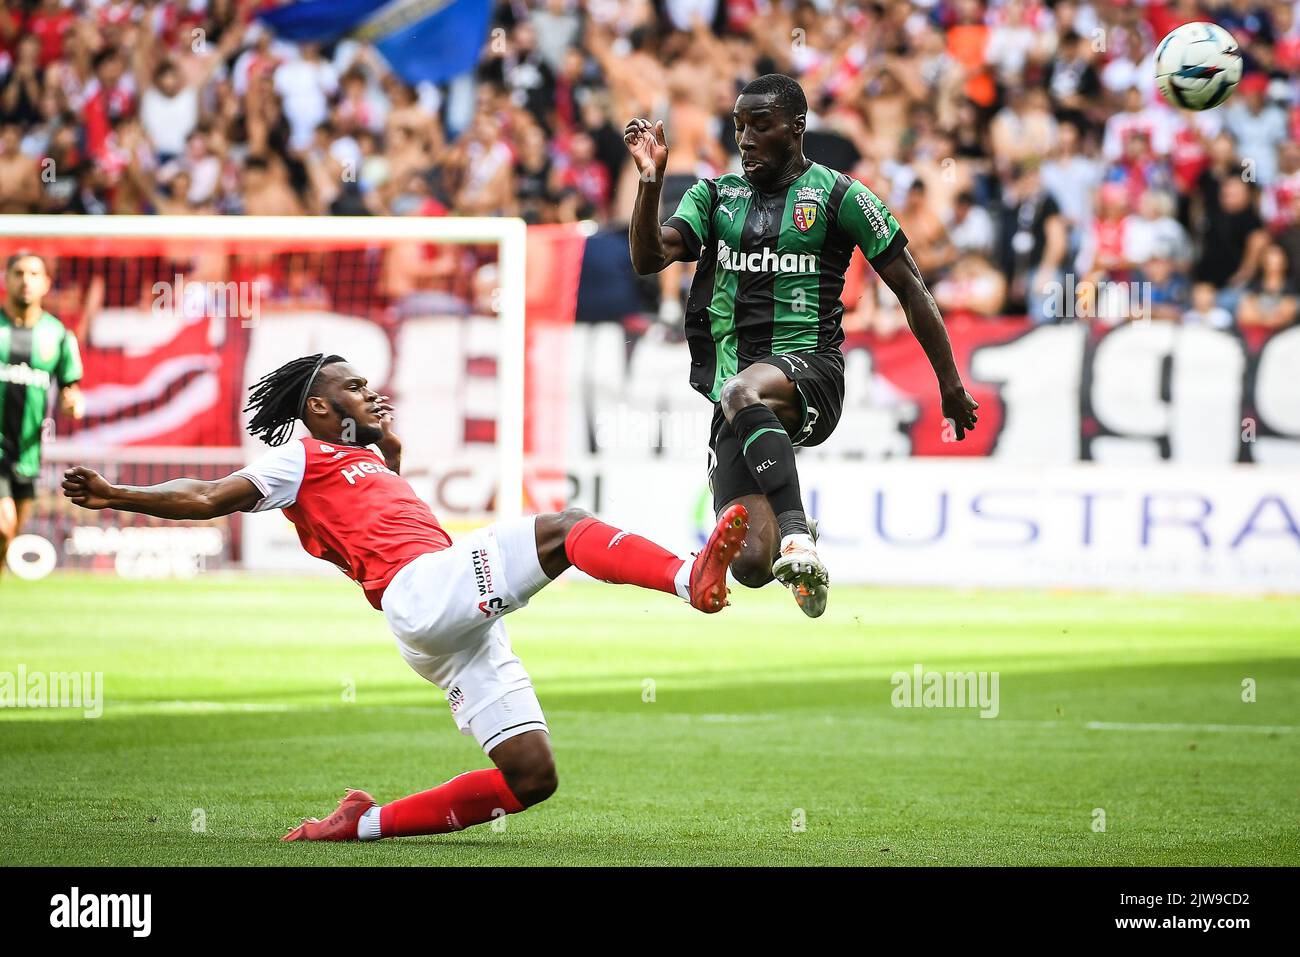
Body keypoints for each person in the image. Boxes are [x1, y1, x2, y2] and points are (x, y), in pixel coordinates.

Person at [62, 353, 749, 842]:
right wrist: (118, 494)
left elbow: (378, 493)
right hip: (422, 591)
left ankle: (363, 821)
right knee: (564, 528)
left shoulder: (361, 457)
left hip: (442, 624)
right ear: (321, 408)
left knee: (532, 777)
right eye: (356, 387)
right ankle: (687, 577)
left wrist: (386, 447)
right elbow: (210, 496)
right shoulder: (300, 457)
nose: (372, 391)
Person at [624, 74, 979, 619]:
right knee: (748, 563)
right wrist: (650, 182)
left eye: (759, 126)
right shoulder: (715, 196)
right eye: (739, 127)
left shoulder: (841, 196)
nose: (745, 139)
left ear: (796, 127)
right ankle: (793, 536)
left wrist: (950, 385)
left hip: (810, 371)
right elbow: (650, 258)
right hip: (735, 395)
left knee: (744, 391)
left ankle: (796, 536)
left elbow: (912, 289)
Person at [0, 252, 84, 576]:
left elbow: (70, 387)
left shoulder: (58, 335)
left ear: (46, 284)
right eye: (19, 273)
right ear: (6, 279)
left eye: (34, 274)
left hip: (28, 452)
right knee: (3, 526)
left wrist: (73, 402)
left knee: (9, 536)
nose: (26, 281)